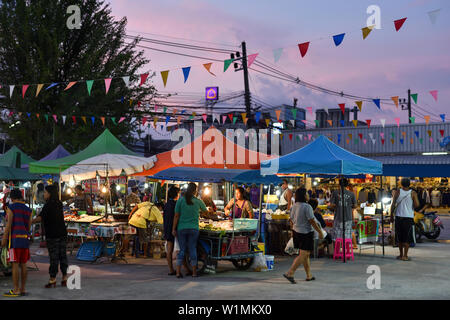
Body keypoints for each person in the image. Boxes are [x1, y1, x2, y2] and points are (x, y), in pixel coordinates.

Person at [283, 188, 323, 284]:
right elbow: (312, 221)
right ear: (304, 195)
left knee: (306, 254)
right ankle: (290, 272)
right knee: (304, 254)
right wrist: (320, 231)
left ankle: (309, 275)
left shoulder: (294, 206)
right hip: (305, 233)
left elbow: (291, 220)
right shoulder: (307, 207)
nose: (308, 195)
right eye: (306, 193)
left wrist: (293, 229)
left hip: (296, 232)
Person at [32, 185, 68, 288]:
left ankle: (52, 279)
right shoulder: (59, 203)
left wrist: (29, 222)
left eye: (45, 192)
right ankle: (64, 277)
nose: (44, 194)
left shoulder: (48, 205)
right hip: (62, 233)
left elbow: (40, 218)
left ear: (50, 193)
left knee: (54, 257)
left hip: (53, 235)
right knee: (63, 256)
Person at [172, 183, 209, 278]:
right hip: (194, 229)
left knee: (182, 250)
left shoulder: (180, 201)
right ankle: (194, 273)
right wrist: (199, 212)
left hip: (182, 228)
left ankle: (178, 272)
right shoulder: (198, 201)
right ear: (195, 191)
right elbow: (206, 212)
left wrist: (173, 229)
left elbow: (176, 216)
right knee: (193, 249)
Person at [1, 189, 33, 297]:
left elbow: (8, 225)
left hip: (14, 240)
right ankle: (23, 289)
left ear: (12, 198)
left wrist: (4, 239)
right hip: (24, 239)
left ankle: (16, 289)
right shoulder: (28, 209)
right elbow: (29, 227)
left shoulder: (11, 208)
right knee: (23, 264)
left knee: (15, 264)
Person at [390, 178, 420, 261]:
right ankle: (405, 256)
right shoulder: (413, 193)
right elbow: (417, 205)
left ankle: (400, 255)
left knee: (399, 237)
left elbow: (393, 204)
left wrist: (391, 216)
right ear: (409, 184)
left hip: (398, 217)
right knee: (407, 238)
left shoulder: (397, 192)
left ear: (401, 184)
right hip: (408, 218)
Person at [329, 179, 357, 246]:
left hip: (338, 218)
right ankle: (346, 252)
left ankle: (336, 251)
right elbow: (355, 205)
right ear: (347, 185)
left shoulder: (335, 193)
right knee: (347, 237)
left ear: (339, 184)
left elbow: (331, 205)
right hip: (348, 218)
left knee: (336, 237)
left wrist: (336, 206)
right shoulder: (351, 194)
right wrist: (349, 206)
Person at [163, 186, 180, 275]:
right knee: (178, 250)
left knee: (169, 250)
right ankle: (178, 270)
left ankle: (171, 269)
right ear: (176, 194)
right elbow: (176, 217)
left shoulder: (166, 204)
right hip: (175, 229)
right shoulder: (176, 204)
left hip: (167, 229)